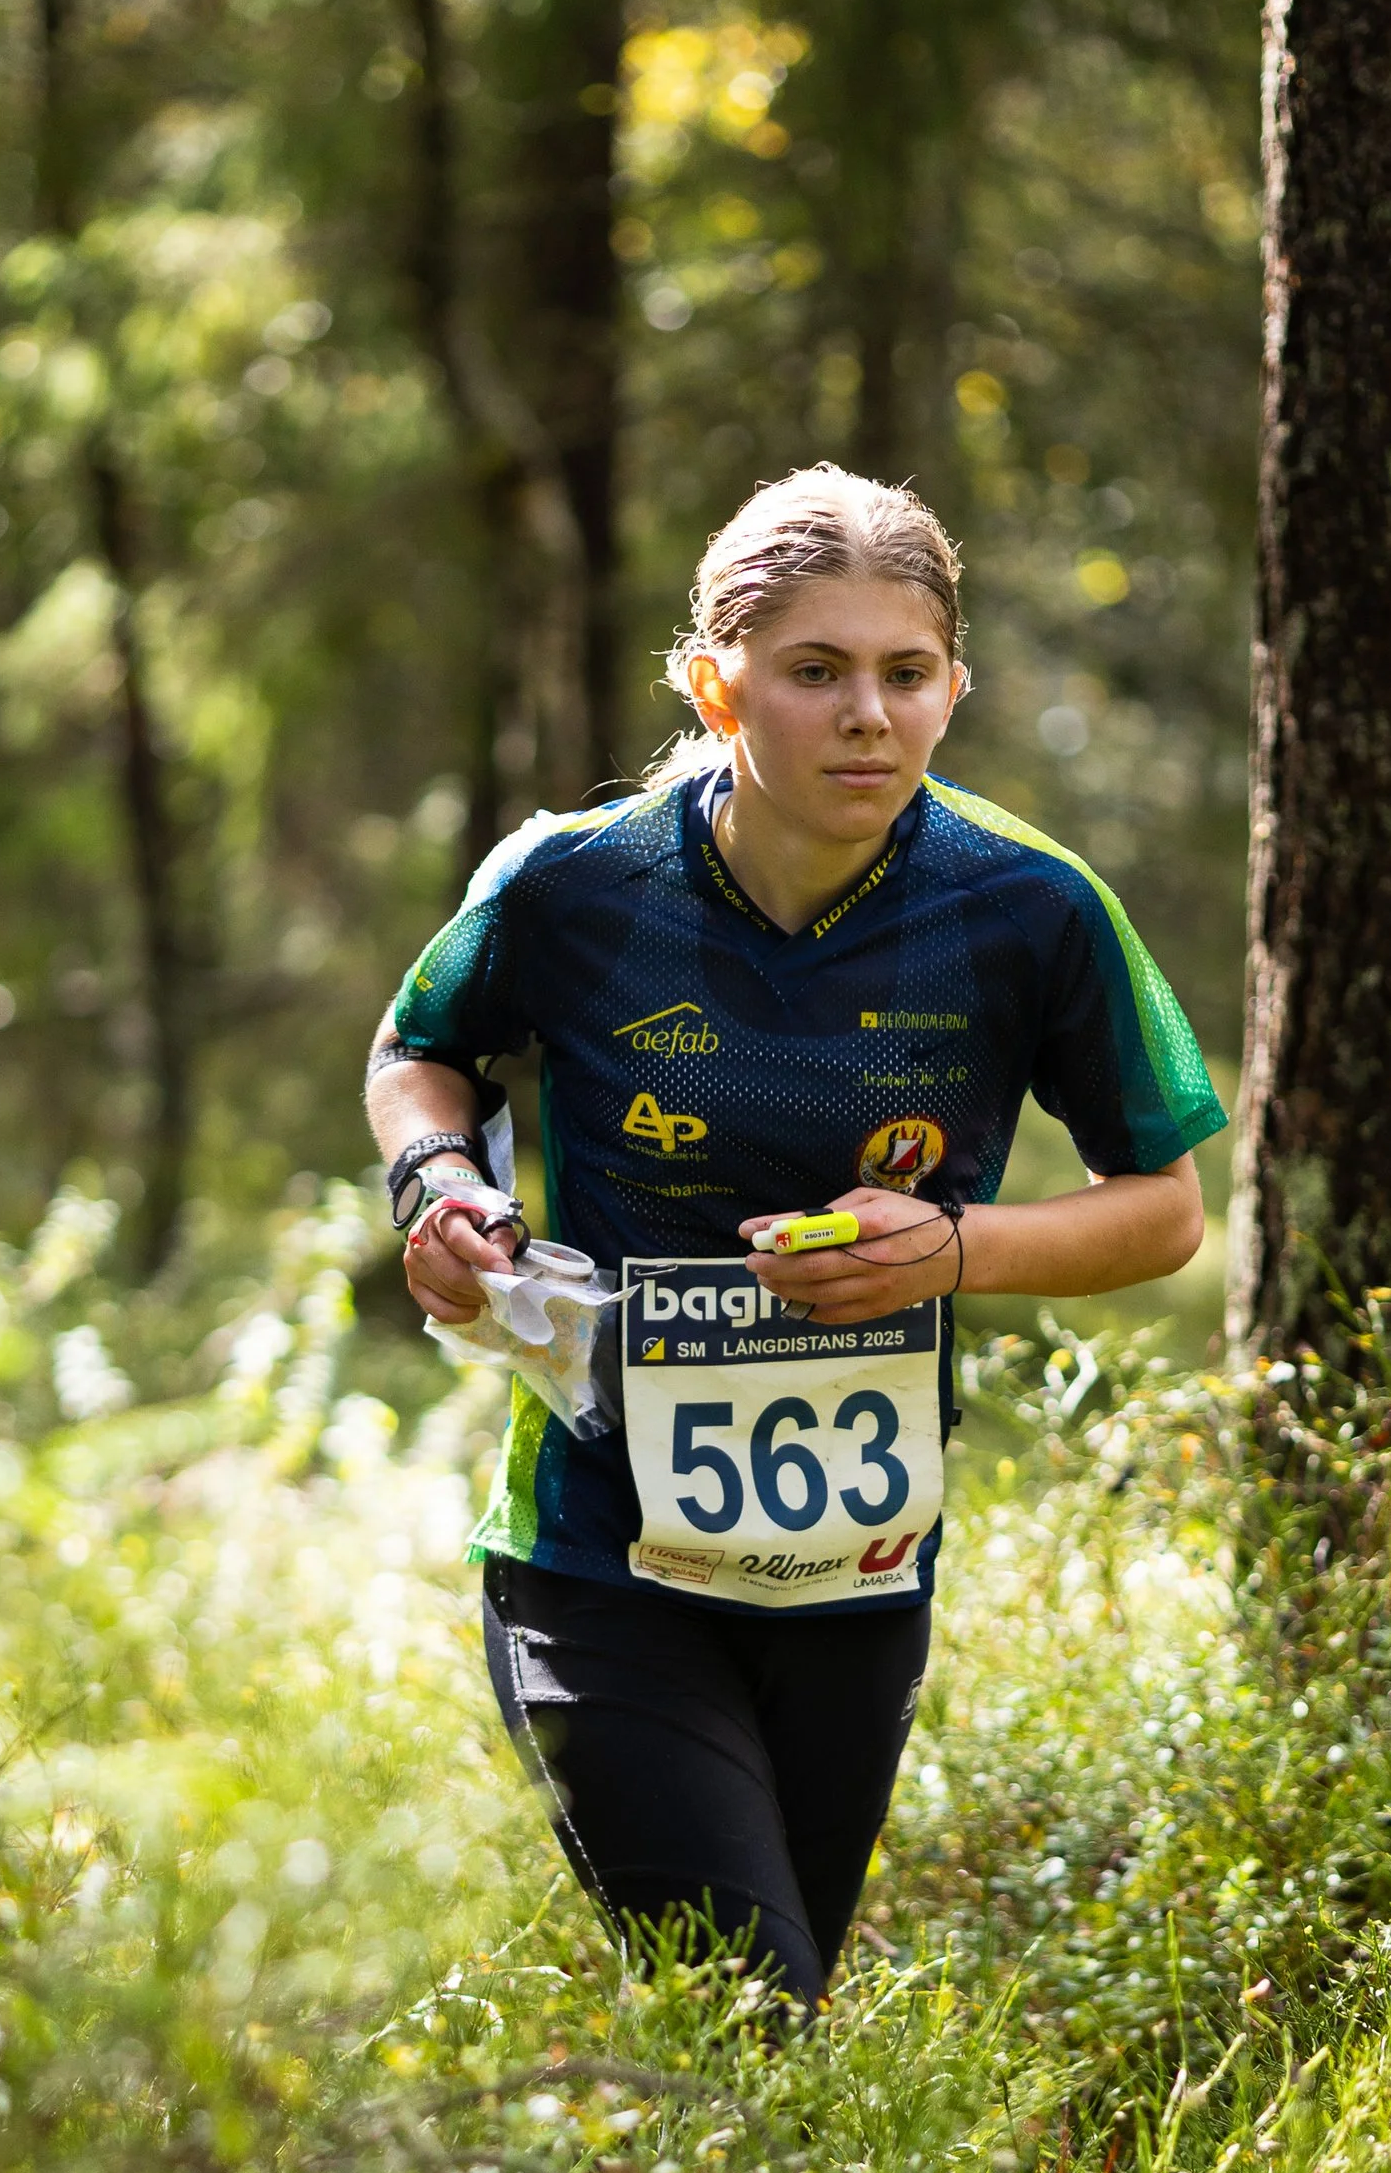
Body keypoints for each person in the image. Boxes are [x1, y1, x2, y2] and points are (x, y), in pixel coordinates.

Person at [366, 464, 1223, 2021]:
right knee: (746, 1995)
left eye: (907, 675)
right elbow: (420, 1049)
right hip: (593, 1547)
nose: (867, 717)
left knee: (769, 2000)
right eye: (814, 672)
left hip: (856, 1567)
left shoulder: (1029, 906)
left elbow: (1164, 1212)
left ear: (957, 689)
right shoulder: (571, 882)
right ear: (716, 684)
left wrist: (952, 1252)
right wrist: (437, 1185)